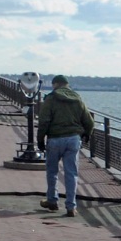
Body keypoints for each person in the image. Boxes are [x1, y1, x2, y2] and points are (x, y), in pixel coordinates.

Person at [36, 74, 95, 214]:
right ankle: (71, 206)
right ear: (67, 85)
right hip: (73, 139)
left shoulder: (50, 98)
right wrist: (87, 134)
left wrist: (40, 139)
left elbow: (44, 121)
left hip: (55, 139)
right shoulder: (77, 98)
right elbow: (89, 121)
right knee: (71, 173)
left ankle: (52, 201)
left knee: (52, 172)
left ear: (55, 84)